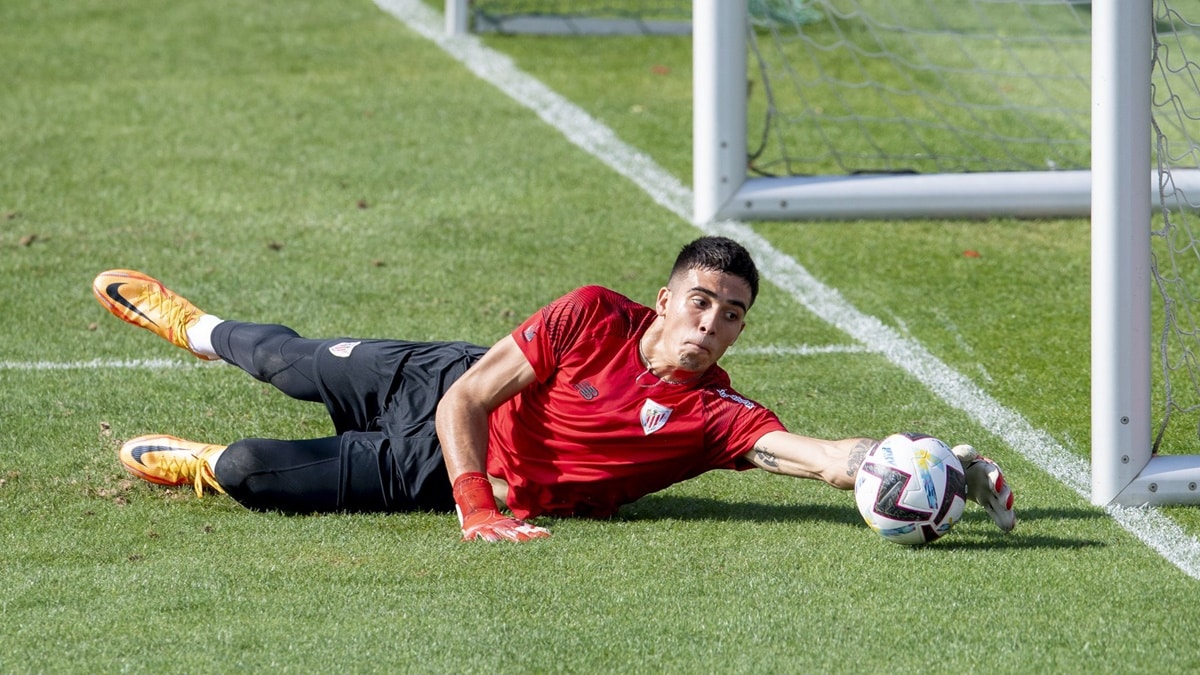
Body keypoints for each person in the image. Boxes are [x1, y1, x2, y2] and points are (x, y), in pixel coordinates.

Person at [92, 236, 1015, 542]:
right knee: (287, 364)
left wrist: (924, 460)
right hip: (449, 388)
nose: (712, 323)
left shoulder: (714, 417)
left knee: (256, 470)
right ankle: (196, 327)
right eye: (701, 301)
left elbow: (822, 459)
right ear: (666, 298)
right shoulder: (588, 314)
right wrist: (474, 507)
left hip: (432, 465)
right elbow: (469, 401)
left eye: (733, 313)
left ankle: (201, 461)